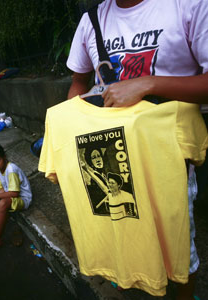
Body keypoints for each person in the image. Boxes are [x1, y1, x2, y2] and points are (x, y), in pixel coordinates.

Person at [66, 0, 208, 298]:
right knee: (126, 232)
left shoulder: (189, 5)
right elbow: (78, 82)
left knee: (178, 246)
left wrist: (148, 84)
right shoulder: (91, 20)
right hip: (111, 160)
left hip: (167, 161)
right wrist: (71, 127)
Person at [0, 144, 32, 257]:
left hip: (22, 198)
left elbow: (14, 193)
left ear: (4, 157)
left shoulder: (11, 169)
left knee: (2, 203)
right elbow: (4, 187)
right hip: (10, 191)